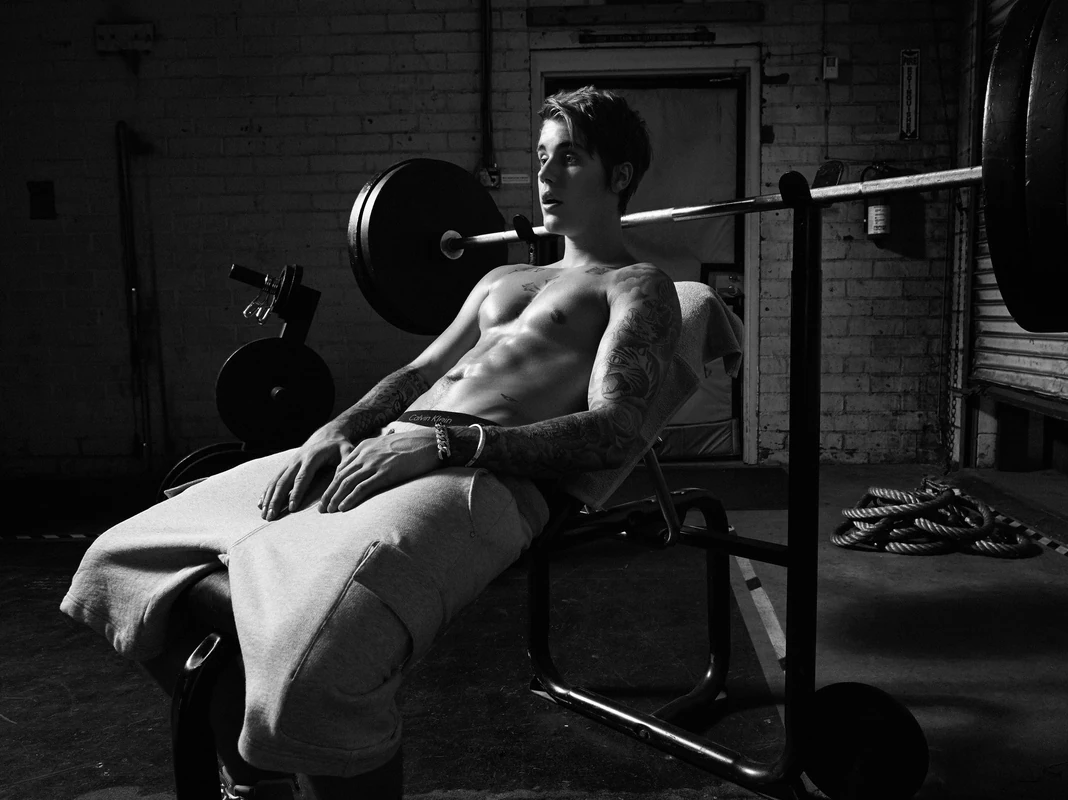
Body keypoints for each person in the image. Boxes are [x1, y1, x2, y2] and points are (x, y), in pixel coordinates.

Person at [61, 86, 680, 799]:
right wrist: (336, 430)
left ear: (620, 175)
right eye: (541, 156)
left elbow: (615, 429)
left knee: (323, 666)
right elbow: (419, 371)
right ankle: (256, 782)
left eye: (569, 158)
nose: (544, 175)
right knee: (118, 565)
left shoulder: (637, 286)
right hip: (386, 446)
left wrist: (448, 447)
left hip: (475, 474)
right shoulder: (504, 277)